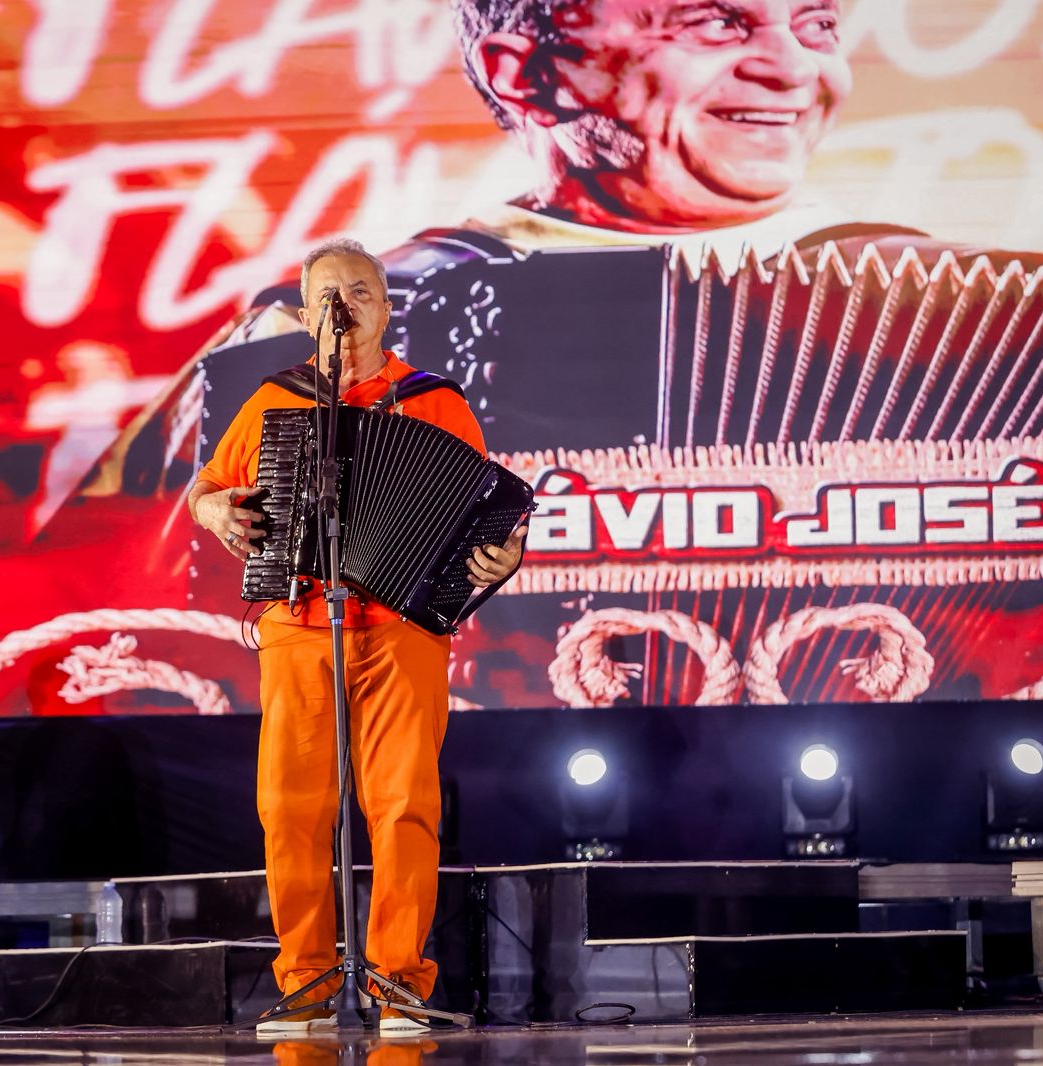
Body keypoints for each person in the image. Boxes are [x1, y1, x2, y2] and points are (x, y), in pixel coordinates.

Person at [187, 239, 527, 1036]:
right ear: (307, 314)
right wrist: (213, 510)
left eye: (363, 291)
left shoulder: (434, 399)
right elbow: (206, 487)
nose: (347, 305)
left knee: (404, 803)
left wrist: (503, 551)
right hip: (298, 621)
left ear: (386, 304)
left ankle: (397, 980)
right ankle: (306, 980)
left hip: (402, 625)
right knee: (290, 807)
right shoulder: (277, 397)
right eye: (330, 294)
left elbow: (487, 515)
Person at [449, 0, 855, 257]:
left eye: (818, 26)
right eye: (714, 23)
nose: (795, 69)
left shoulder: (906, 286)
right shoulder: (409, 313)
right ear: (528, 76)